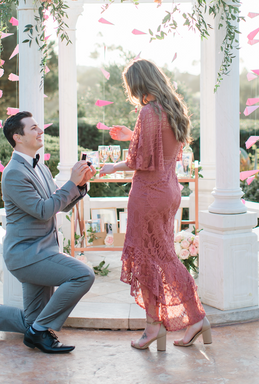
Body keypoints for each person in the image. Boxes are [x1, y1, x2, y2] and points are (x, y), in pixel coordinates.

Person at [0, 111, 96, 354]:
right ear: (17, 137)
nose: (40, 130)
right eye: (33, 128)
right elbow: (43, 211)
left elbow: (58, 203)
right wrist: (71, 183)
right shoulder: (13, 173)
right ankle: (40, 332)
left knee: (32, 322)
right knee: (83, 275)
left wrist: (80, 184)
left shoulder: (40, 166)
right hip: (26, 256)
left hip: (43, 251)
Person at [99, 59, 211, 350]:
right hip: (169, 190)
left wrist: (113, 167)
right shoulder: (171, 108)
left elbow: (140, 161)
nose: (132, 93)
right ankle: (177, 322)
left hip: (148, 193)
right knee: (162, 256)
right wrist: (130, 136)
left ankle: (160, 326)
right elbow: (162, 148)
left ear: (138, 84)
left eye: (131, 87)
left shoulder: (148, 112)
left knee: (149, 260)